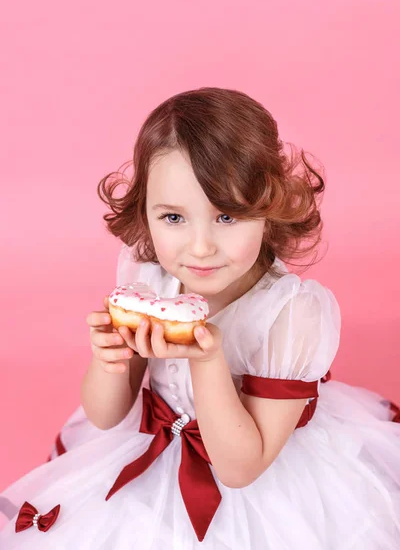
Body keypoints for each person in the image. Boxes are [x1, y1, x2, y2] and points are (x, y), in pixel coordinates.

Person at [0, 87, 399, 549]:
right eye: (173, 218)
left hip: (255, 472)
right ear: (144, 212)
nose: (200, 247)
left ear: (268, 208)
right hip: (155, 459)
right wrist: (109, 362)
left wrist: (207, 361)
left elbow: (239, 469)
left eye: (226, 217)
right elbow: (107, 417)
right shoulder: (149, 280)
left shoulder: (291, 315)